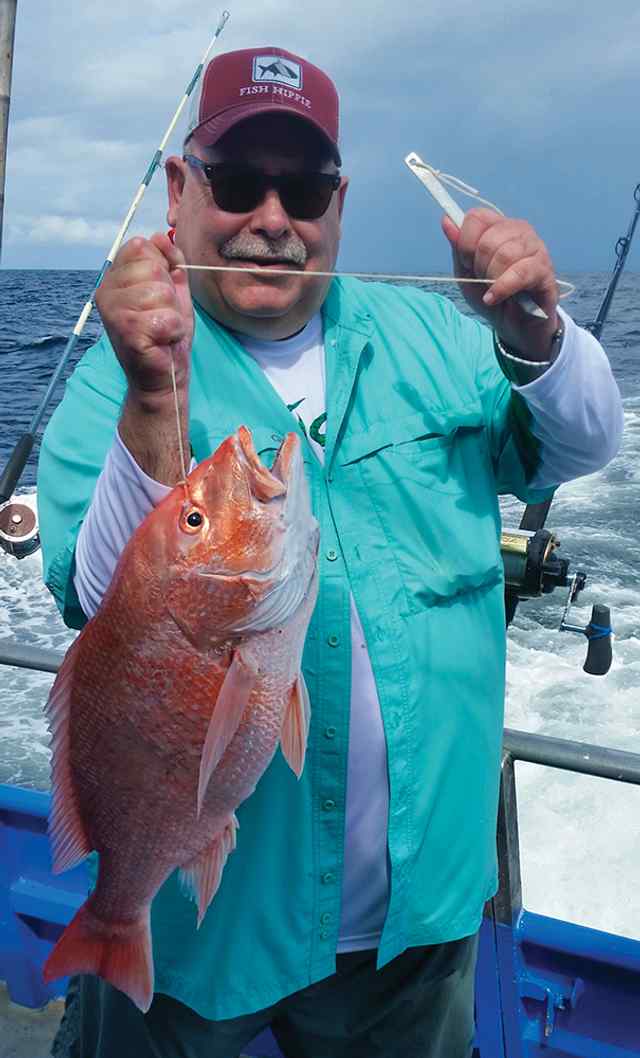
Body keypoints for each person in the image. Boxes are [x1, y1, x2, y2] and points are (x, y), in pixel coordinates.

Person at [40, 45, 623, 1058]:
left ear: (340, 203)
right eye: (238, 181)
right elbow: (98, 601)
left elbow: (579, 442)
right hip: (202, 927)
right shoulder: (124, 372)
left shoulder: (435, 339)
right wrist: (149, 395)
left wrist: (535, 333)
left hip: (416, 918)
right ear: (178, 191)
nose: (274, 217)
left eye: (304, 187)